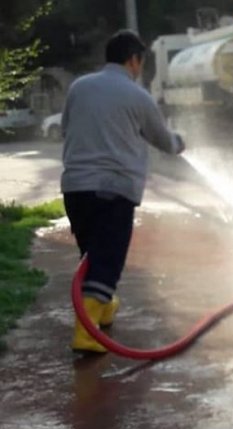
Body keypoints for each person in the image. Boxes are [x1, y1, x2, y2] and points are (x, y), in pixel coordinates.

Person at [62, 30, 185, 354]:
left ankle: (102, 308)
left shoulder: (79, 87)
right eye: (140, 62)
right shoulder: (137, 95)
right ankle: (87, 335)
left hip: (76, 188)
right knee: (107, 260)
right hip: (114, 190)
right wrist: (180, 142)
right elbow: (164, 141)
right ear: (134, 60)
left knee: (92, 254)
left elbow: (66, 128)